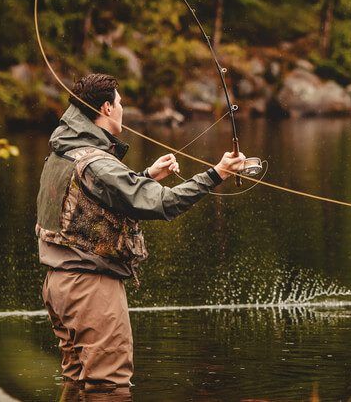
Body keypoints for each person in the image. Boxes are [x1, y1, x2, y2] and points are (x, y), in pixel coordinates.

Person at [35, 73, 244, 395]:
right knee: (109, 384)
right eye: (120, 103)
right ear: (106, 108)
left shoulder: (64, 152)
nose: (122, 109)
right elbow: (163, 203)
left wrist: (145, 176)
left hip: (59, 284)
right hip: (91, 289)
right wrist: (216, 174)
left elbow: (91, 200)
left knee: (76, 379)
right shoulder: (98, 164)